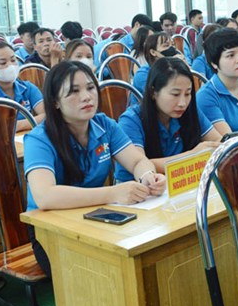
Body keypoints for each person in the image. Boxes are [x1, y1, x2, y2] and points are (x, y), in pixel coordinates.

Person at [23, 61, 166, 276]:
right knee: (107, 271)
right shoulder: (39, 139)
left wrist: (148, 176)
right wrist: (113, 193)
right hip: (50, 231)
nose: (86, 96)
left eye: (90, 88)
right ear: (55, 102)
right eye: (74, 91)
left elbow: (137, 161)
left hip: (96, 218)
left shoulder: (103, 124)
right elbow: (45, 196)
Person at [113, 58, 221, 182]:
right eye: (175, 94)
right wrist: (193, 156)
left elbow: (216, 141)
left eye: (188, 94)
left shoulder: (190, 111)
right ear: (153, 92)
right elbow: (141, 164)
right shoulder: (131, 120)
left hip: (180, 187)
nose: (183, 103)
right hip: (138, 192)